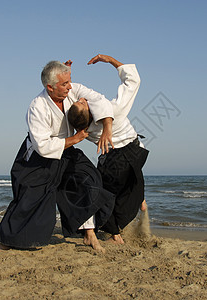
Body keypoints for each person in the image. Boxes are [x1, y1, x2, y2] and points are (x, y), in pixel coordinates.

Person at [0, 60, 116, 252]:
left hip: (67, 151)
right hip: (40, 157)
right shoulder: (37, 107)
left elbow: (100, 99)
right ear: (50, 87)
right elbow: (42, 145)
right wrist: (74, 139)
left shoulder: (73, 91)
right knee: (32, 197)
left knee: (89, 180)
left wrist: (107, 127)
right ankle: (3, 240)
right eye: (64, 84)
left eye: (70, 81)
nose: (70, 87)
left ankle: (88, 233)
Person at [68, 54, 149, 244]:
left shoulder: (84, 130)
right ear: (88, 112)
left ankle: (117, 229)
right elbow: (133, 80)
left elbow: (71, 99)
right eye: (82, 103)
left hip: (115, 158)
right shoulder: (114, 110)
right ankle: (123, 222)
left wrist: (68, 78)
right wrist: (111, 60)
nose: (83, 99)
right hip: (133, 152)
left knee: (107, 191)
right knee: (118, 189)